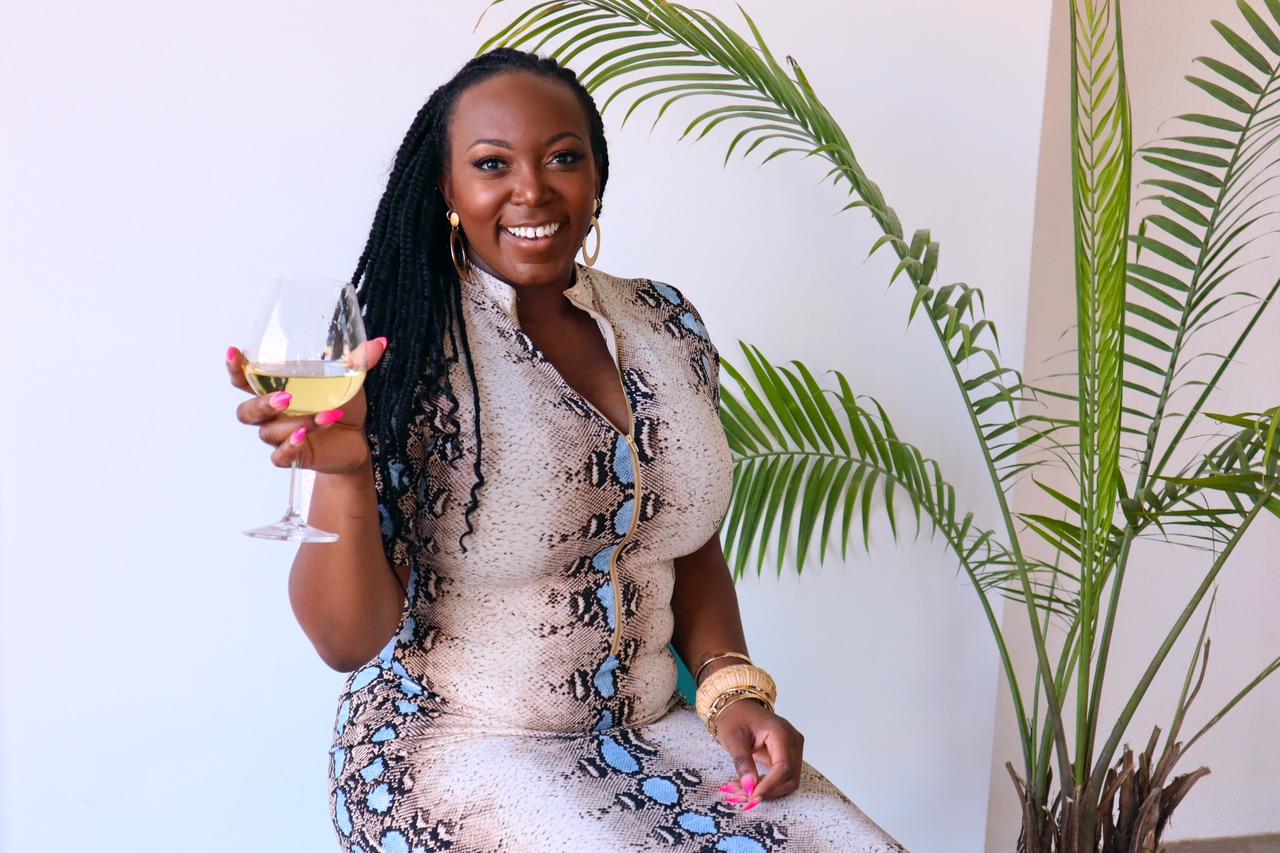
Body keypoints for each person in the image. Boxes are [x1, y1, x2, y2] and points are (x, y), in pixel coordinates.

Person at [228, 48, 906, 853]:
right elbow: (347, 641)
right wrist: (345, 470)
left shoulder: (668, 323)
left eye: (562, 157)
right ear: (447, 188)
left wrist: (733, 695)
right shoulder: (403, 353)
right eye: (492, 163)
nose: (532, 189)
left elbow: (686, 546)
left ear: (597, 177)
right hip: (456, 746)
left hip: (655, 732)